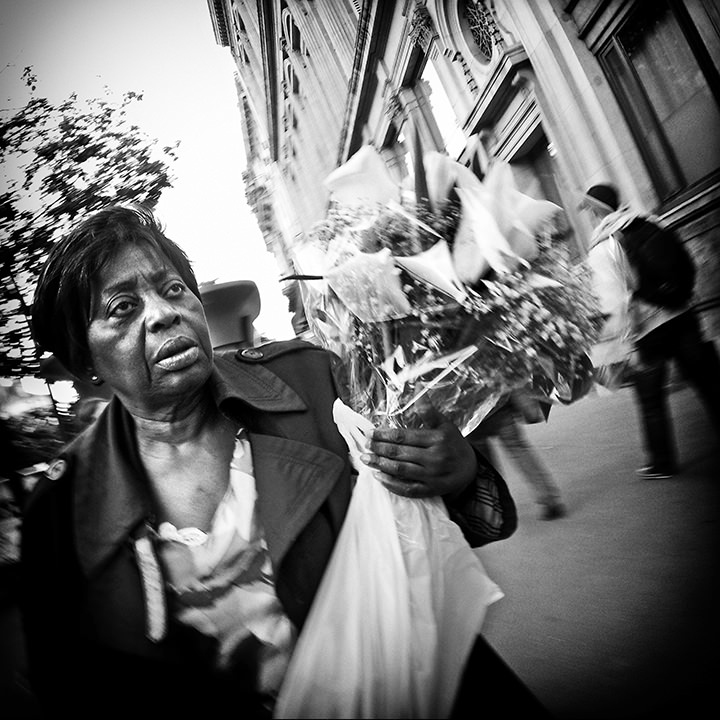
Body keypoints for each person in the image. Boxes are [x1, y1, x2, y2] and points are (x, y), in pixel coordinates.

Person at [19, 204, 551, 718]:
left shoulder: (313, 381)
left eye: (172, 288)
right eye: (122, 308)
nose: (163, 314)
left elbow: (459, 523)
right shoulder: (61, 509)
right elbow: (71, 688)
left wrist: (456, 471)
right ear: (85, 364)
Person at [582, 183, 720, 479]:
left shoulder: (603, 244)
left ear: (597, 210)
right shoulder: (648, 221)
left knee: (651, 400)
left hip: (648, 329)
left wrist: (622, 341)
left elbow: (612, 299)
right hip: (682, 314)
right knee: (709, 383)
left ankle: (661, 462)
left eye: (591, 209)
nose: (591, 215)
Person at [469, 392, 566, 520]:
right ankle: (549, 500)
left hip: (470, 417)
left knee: (486, 466)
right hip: (498, 407)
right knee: (519, 451)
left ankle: (498, 508)